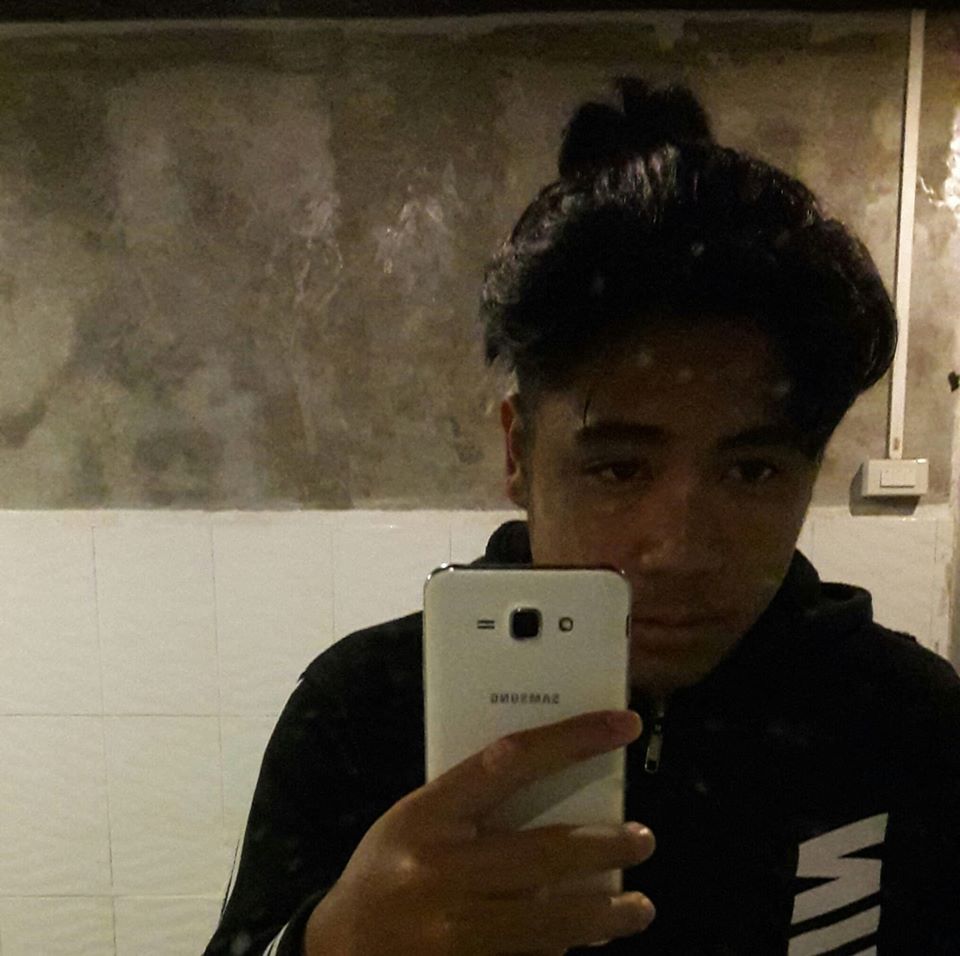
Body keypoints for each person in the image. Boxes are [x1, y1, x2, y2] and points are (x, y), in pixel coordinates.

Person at [204, 79, 960, 955]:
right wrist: (326, 944)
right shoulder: (365, 711)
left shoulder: (905, 722)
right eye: (618, 468)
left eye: (752, 469)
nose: (678, 549)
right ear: (518, 452)